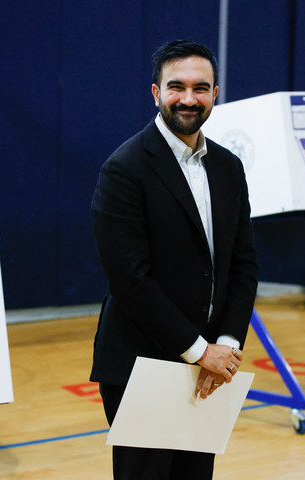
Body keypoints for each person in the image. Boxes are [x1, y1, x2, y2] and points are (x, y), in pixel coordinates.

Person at [89, 39, 258, 480]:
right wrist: (200, 352)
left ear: (216, 93)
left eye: (201, 88)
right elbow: (130, 280)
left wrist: (228, 347)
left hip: (211, 367)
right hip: (143, 365)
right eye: (176, 86)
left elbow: (242, 265)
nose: (189, 98)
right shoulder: (124, 169)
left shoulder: (228, 167)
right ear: (156, 92)